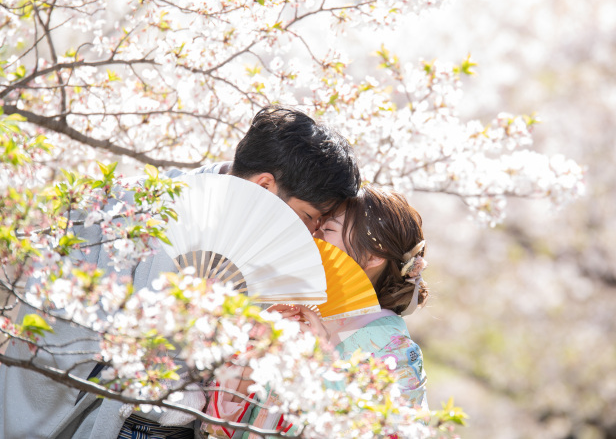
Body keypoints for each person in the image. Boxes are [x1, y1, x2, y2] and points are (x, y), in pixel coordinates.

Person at [0, 105, 360, 439]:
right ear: (264, 186)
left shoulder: (272, 254)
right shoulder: (129, 206)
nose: (309, 235)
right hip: (105, 419)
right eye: (308, 217)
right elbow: (50, 319)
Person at [227, 185, 429, 437]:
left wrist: (321, 364)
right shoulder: (296, 313)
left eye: (329, 230)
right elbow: (223, 425)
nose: (313, 236)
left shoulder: (395, 351)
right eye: (316, 226)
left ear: (373, 256)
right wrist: (253, 354)